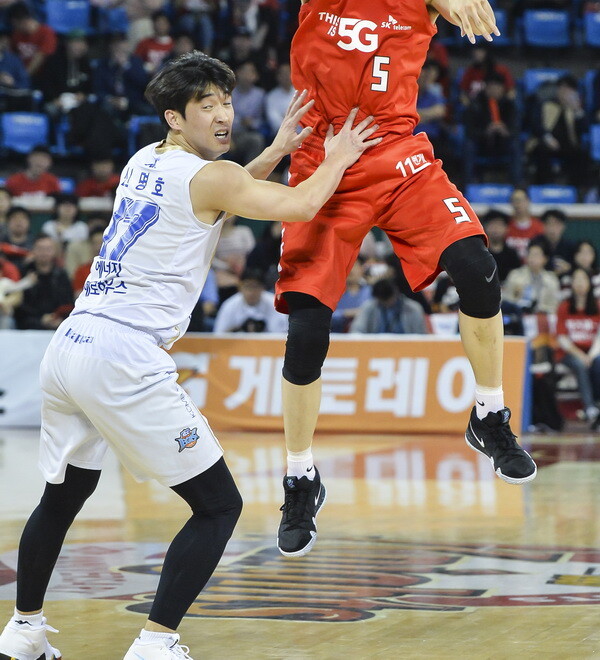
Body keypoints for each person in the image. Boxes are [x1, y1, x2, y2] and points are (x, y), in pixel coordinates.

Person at [0, 51, 380, 660]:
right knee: (219, 506)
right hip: (124, 356)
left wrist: (275, 148)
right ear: (175, 117)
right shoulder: (211, 175)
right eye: (207, 105)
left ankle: (23, 630)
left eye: (226, 101)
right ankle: (157, 641)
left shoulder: (144, 159)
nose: (223, 114)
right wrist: (337, 156)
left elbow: (218, 195)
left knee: (63, 496)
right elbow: (299, 205)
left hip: (71, 346)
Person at [244, 0, 537, 559]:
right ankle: (300, 476)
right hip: (322, 158)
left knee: (478, 269)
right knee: (306, 332)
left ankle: (490, 414)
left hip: (396, 152)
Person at [526, 75, 590, 190]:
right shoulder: (545, 104)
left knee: (582, 154)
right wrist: (548, 138)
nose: (565, 92)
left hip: (567, 144)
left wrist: (577, 111)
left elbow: (584, 129)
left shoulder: (575, 109)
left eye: (569, 89)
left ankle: (577, 189)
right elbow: (535, 125)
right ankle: (544, 186)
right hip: (546, 141)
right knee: (542, 150)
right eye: (562, 88)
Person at [555, 267, 600, 427]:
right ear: (572, 283)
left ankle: (596, 404)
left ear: (590, 283)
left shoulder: (597, 306)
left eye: (583, 279)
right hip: (568, 354)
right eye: (576, 279)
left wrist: (591, 355)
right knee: (580, 364)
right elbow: (562, 338)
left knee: (598, 363)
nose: (580, 283)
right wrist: (581, 356)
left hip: (592, 352)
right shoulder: (564, 306)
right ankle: (590, 408)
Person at [462, 70, 521, 184]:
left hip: (503, 142)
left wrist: (505, 130)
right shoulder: (475, 104)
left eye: (497, 87)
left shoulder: (510, 105)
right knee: (468, 145)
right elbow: (470, 130)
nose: (494, 90)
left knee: (516, 145)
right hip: (482, 143)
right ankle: (467, 184)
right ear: (485, 87)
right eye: (491, 86)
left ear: (503, 89)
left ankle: (517, 185)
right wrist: (486, 131)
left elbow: (516, 129)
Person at [14, 234, 74, 330]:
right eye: (40, 249)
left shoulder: (61, 275)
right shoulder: (23, 272)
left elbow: (68, 302)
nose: (44, 253)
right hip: (29, 324)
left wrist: (58, 319)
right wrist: (40, 319)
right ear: (33, 250)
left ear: (54, 251)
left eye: (48, 249)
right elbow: (19, 305)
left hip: (57, 323)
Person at [213, 267, 287, 333]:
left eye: (255, 287)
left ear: (263, 288)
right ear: (240, 287)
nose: (251, 292)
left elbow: (283, 335)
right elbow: (219, 335)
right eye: (248, 286)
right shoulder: (229, 305)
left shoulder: (275, 304)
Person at [350, 273, 428, 334]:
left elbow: (421, 336)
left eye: (389, 299)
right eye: (383, 300)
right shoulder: (369, 307)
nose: (387, 303)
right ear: (377, 298)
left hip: (406, 346)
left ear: (396, 293)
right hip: (376, 346)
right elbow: (356, 330)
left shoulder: (413, 308)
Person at [481, 210, 521, 284]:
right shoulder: (480, 253)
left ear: (507, 229)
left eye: (499, 225)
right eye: (492, 225)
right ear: (485, 227)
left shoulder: (512, 255)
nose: (496, 229)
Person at [505, 187, 544, 263]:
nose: (517, 204)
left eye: (520, 200)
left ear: (528, 201)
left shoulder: (539, 227)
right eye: (514, 200)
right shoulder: (506, 226)